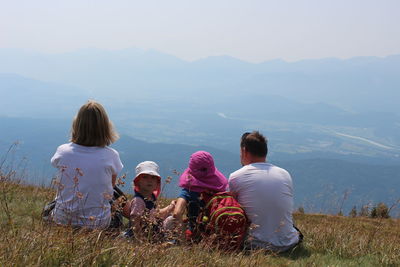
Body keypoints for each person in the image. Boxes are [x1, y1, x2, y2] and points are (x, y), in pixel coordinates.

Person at [50, 100, 123, 229]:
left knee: (50, 206)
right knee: (116, 198)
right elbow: (110, 190)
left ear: (77, 125)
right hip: (98, 224)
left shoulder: (63, 151)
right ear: (105, 127)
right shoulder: (111, 155)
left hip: (62, 220)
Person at [228, 131, 302, 252]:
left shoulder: (236, 177)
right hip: (288, 243)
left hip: (253, 244)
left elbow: (232, 211)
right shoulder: (284, 174)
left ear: (244, 151)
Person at [164, 150, 228, 240]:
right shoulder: (218, 189)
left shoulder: (189, 191)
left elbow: (177, 213)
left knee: (169, 221)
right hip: (217, 234)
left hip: (195, 234)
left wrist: (182, 239)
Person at [122, 161, 176, 241]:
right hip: (141, 235)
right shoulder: (138, 201)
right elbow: (135, 222)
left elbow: (155, 214)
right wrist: (141, 239)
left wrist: (170, 207)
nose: (149, 180)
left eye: (153, 178)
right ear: (138, 182)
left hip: (151, 231)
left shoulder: (151, 197)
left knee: (172, 219)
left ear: (157, 183)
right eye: (145, 177)